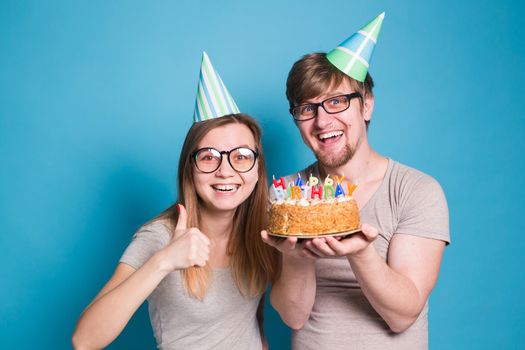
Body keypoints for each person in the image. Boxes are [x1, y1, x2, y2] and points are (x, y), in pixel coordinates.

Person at [262, 13, 450, 349]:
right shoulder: (286, 197)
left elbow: (402, 316)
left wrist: (361, 253)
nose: (322, 121)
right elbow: (294, 317)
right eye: (307, 108)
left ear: (366, 106)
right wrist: (295, 255)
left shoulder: (416, 190)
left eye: (336, 102)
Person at [72, 53, 278, 350]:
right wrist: (164, 260)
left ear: (257, 170)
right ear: (190, 169)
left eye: (241, 157)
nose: (225, 170)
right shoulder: (159, 237)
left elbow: (248, 320)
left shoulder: (261, 230)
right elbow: (84, 339)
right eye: (208, 157)